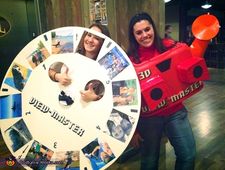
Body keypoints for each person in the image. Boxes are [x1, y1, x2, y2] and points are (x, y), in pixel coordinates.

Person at [127, 12, 196, 170]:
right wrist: (134, 130)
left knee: (188, 154)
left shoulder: (170, 46)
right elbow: (127, 98)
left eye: (147, 29)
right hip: (148, 117)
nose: (145, 35)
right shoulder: (129, 60)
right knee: (149, 162)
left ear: (153, 28)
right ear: (133, 36)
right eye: (139, 32)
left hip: (175, 111)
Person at [48, 23, 110, 102]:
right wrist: (57, 76)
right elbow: (49, 70)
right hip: (59, 103)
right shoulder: (71, 54)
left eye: (97, 38)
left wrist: (94, 98)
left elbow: (109, 95)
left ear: (102, 43)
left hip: (83, 109)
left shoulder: (105, 66)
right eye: (89, 35)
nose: (90, 40)